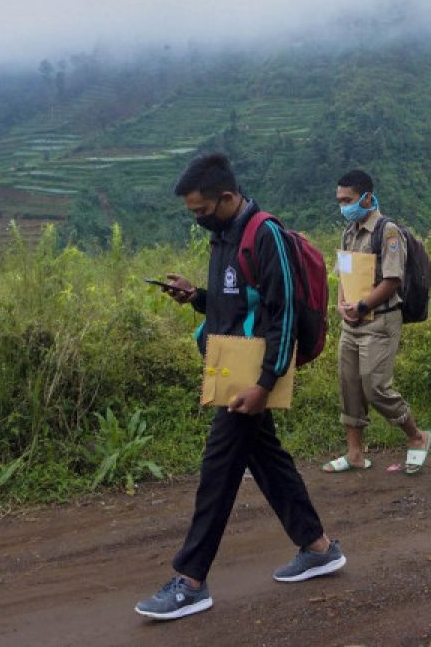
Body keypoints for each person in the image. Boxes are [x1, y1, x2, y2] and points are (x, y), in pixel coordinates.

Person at [134, 152, 345, 621]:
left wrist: (266, 384)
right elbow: (234, 302)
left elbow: (284, 311)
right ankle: (318, 547)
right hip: (232, 368)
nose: (198, 221)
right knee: (266, 460)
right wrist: (197, 298)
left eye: (201, 212)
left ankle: (190, 581)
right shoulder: (225, 237)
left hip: (252, 375)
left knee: (218, 468)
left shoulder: (264, 233)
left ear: (226, 198)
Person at [324, 169, 431, 475]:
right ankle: (355, 453)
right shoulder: (349, 232)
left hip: (380, 322)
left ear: (368, 197)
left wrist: (361, 305)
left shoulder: (388, 232)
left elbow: (393, 279)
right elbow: (345, 273)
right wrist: (342, 303)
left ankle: (416, 436)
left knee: (376, 388)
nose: (343, 206)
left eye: (348, 200)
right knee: (350, 387)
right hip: (352, 323)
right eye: (340, 200)